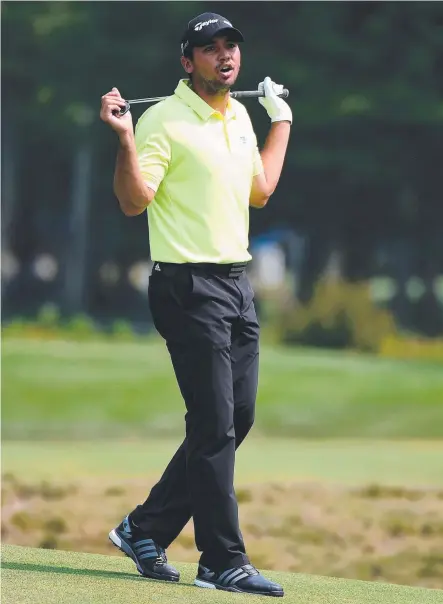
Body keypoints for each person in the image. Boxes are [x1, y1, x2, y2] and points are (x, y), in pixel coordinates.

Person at [99, 11, 291, 598]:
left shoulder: (237, 118)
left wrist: (280, 122)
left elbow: (261, 191)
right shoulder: (163, 119)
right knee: (212, 425)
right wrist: (127, 138)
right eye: (210, 48)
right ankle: (221, 561)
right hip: (187, 287)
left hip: (237, 285)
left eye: (231, 46)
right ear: (188, 62)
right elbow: (134, 202)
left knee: (237, 419)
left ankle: (145, 527)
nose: (224, 55)